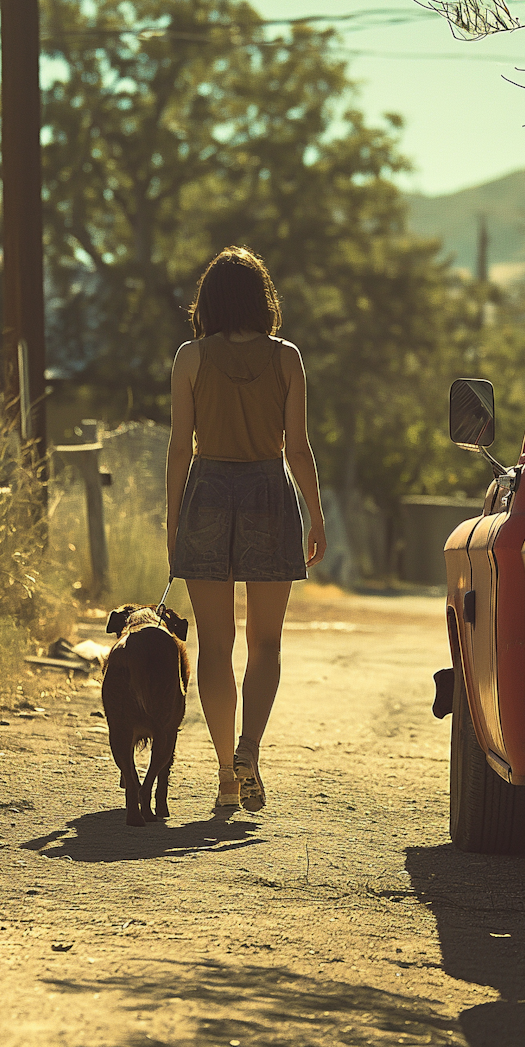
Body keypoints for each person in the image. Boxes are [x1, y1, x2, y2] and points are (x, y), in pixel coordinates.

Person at [166, 247, 327, 814]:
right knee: (267, 642)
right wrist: (315, 513)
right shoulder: (287, 358)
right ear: (263, 300)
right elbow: (299, 449)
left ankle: (223, 776)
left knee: (216, 645)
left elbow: (177, 452)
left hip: (207, 495)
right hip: (268, 496)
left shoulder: (190, 358)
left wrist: (173, 526)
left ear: (209, 301)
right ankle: (249, 751)